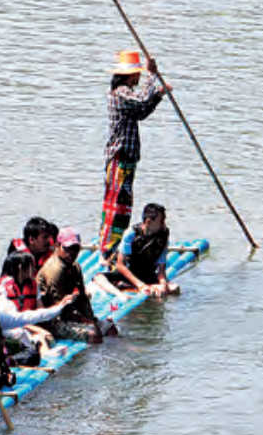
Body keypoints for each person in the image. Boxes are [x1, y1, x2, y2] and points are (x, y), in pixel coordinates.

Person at [100, 48, 168, 264]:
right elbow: (140, 100)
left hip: (128, 157)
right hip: (119, 157)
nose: (138, 77)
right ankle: (108, 251)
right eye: (137, 73)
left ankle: (113, 247)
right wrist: (152, 76)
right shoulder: (121, 92)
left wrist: (158, 94)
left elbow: (141, 112)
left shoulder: (125, 94)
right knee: (116, 205)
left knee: (124, 204)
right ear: (129, 75)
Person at [0, 244, 77, 359]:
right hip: (12, 327)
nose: (34, 269)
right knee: (36, 336)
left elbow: (40, 310)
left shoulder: (33, 285)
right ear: (20, 267)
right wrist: (36, 330)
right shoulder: (2, 289)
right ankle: (44, 353)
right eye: (30, 266)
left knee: (47, 336)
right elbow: (11, 320)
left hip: (28, 323)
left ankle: (41, 347)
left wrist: (60, 305)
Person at [37, 228, 105, 343]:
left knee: (109, 328)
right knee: (93, 334)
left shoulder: (75, 267)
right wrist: (86, 322)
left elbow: (83, 298)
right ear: (58, 246)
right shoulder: (55, 269)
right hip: (52, 319)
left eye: (75, 249)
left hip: (70, 312)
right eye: (68, 249)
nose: (72, 253)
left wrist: (90, 318)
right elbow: (60, 306)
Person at [106, 202, 178, 298]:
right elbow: (120, 265)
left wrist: (163, 285)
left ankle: (146, 289)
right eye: (161, 221)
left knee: (175, 288)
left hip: (145, 273)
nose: (163, 224)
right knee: (99, 278)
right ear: (148, 221)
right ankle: (129, 286)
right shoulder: (131, 233)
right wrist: (140, 285)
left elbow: (161, 270)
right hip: (128, 273)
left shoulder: (163, 235)